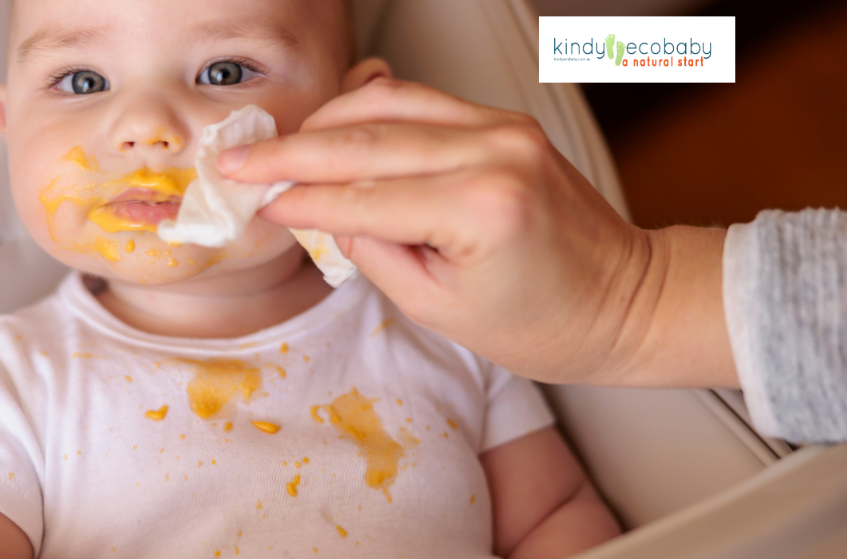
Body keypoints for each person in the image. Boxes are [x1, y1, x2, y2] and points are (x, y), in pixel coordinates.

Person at [0, 1, 621, 559]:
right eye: (82, 82)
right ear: (11, 131)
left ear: (353, 115)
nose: (144, 128)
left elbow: (551, 515)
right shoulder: (19, 372)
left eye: (223, 71)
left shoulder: (439, 309)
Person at [226, 76, 846, 445]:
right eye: (118, 82)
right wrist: (638, 298)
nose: (140, 126)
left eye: (225, 71)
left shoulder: (448, 327)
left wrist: (636, 299)